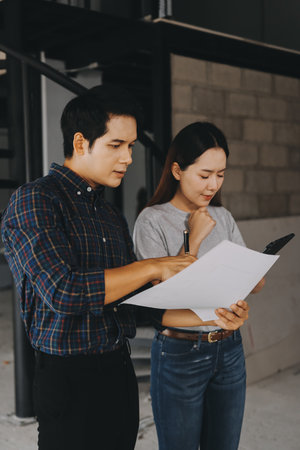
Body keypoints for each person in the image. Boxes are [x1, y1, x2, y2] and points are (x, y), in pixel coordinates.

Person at [0, 86, 196, 450]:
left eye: (132, 146)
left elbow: (133, 300)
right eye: (115, 145)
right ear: (80, 142)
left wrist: (210, 312)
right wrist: (153, 266)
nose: (128, 158)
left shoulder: (109, 215)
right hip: (68, 378)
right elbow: (65, 291)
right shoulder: (36, 200)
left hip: (118, 371)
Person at [133, 121, 265, 450]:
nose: (213, 184)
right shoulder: (152, 221)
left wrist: (247, 285)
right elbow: (160, 302)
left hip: (230, 349)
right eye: (204, 175)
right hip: (179, 353)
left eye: (220, 175)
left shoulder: (224, 217)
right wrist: (192, 240)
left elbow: (251, 284)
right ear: (177, 170)